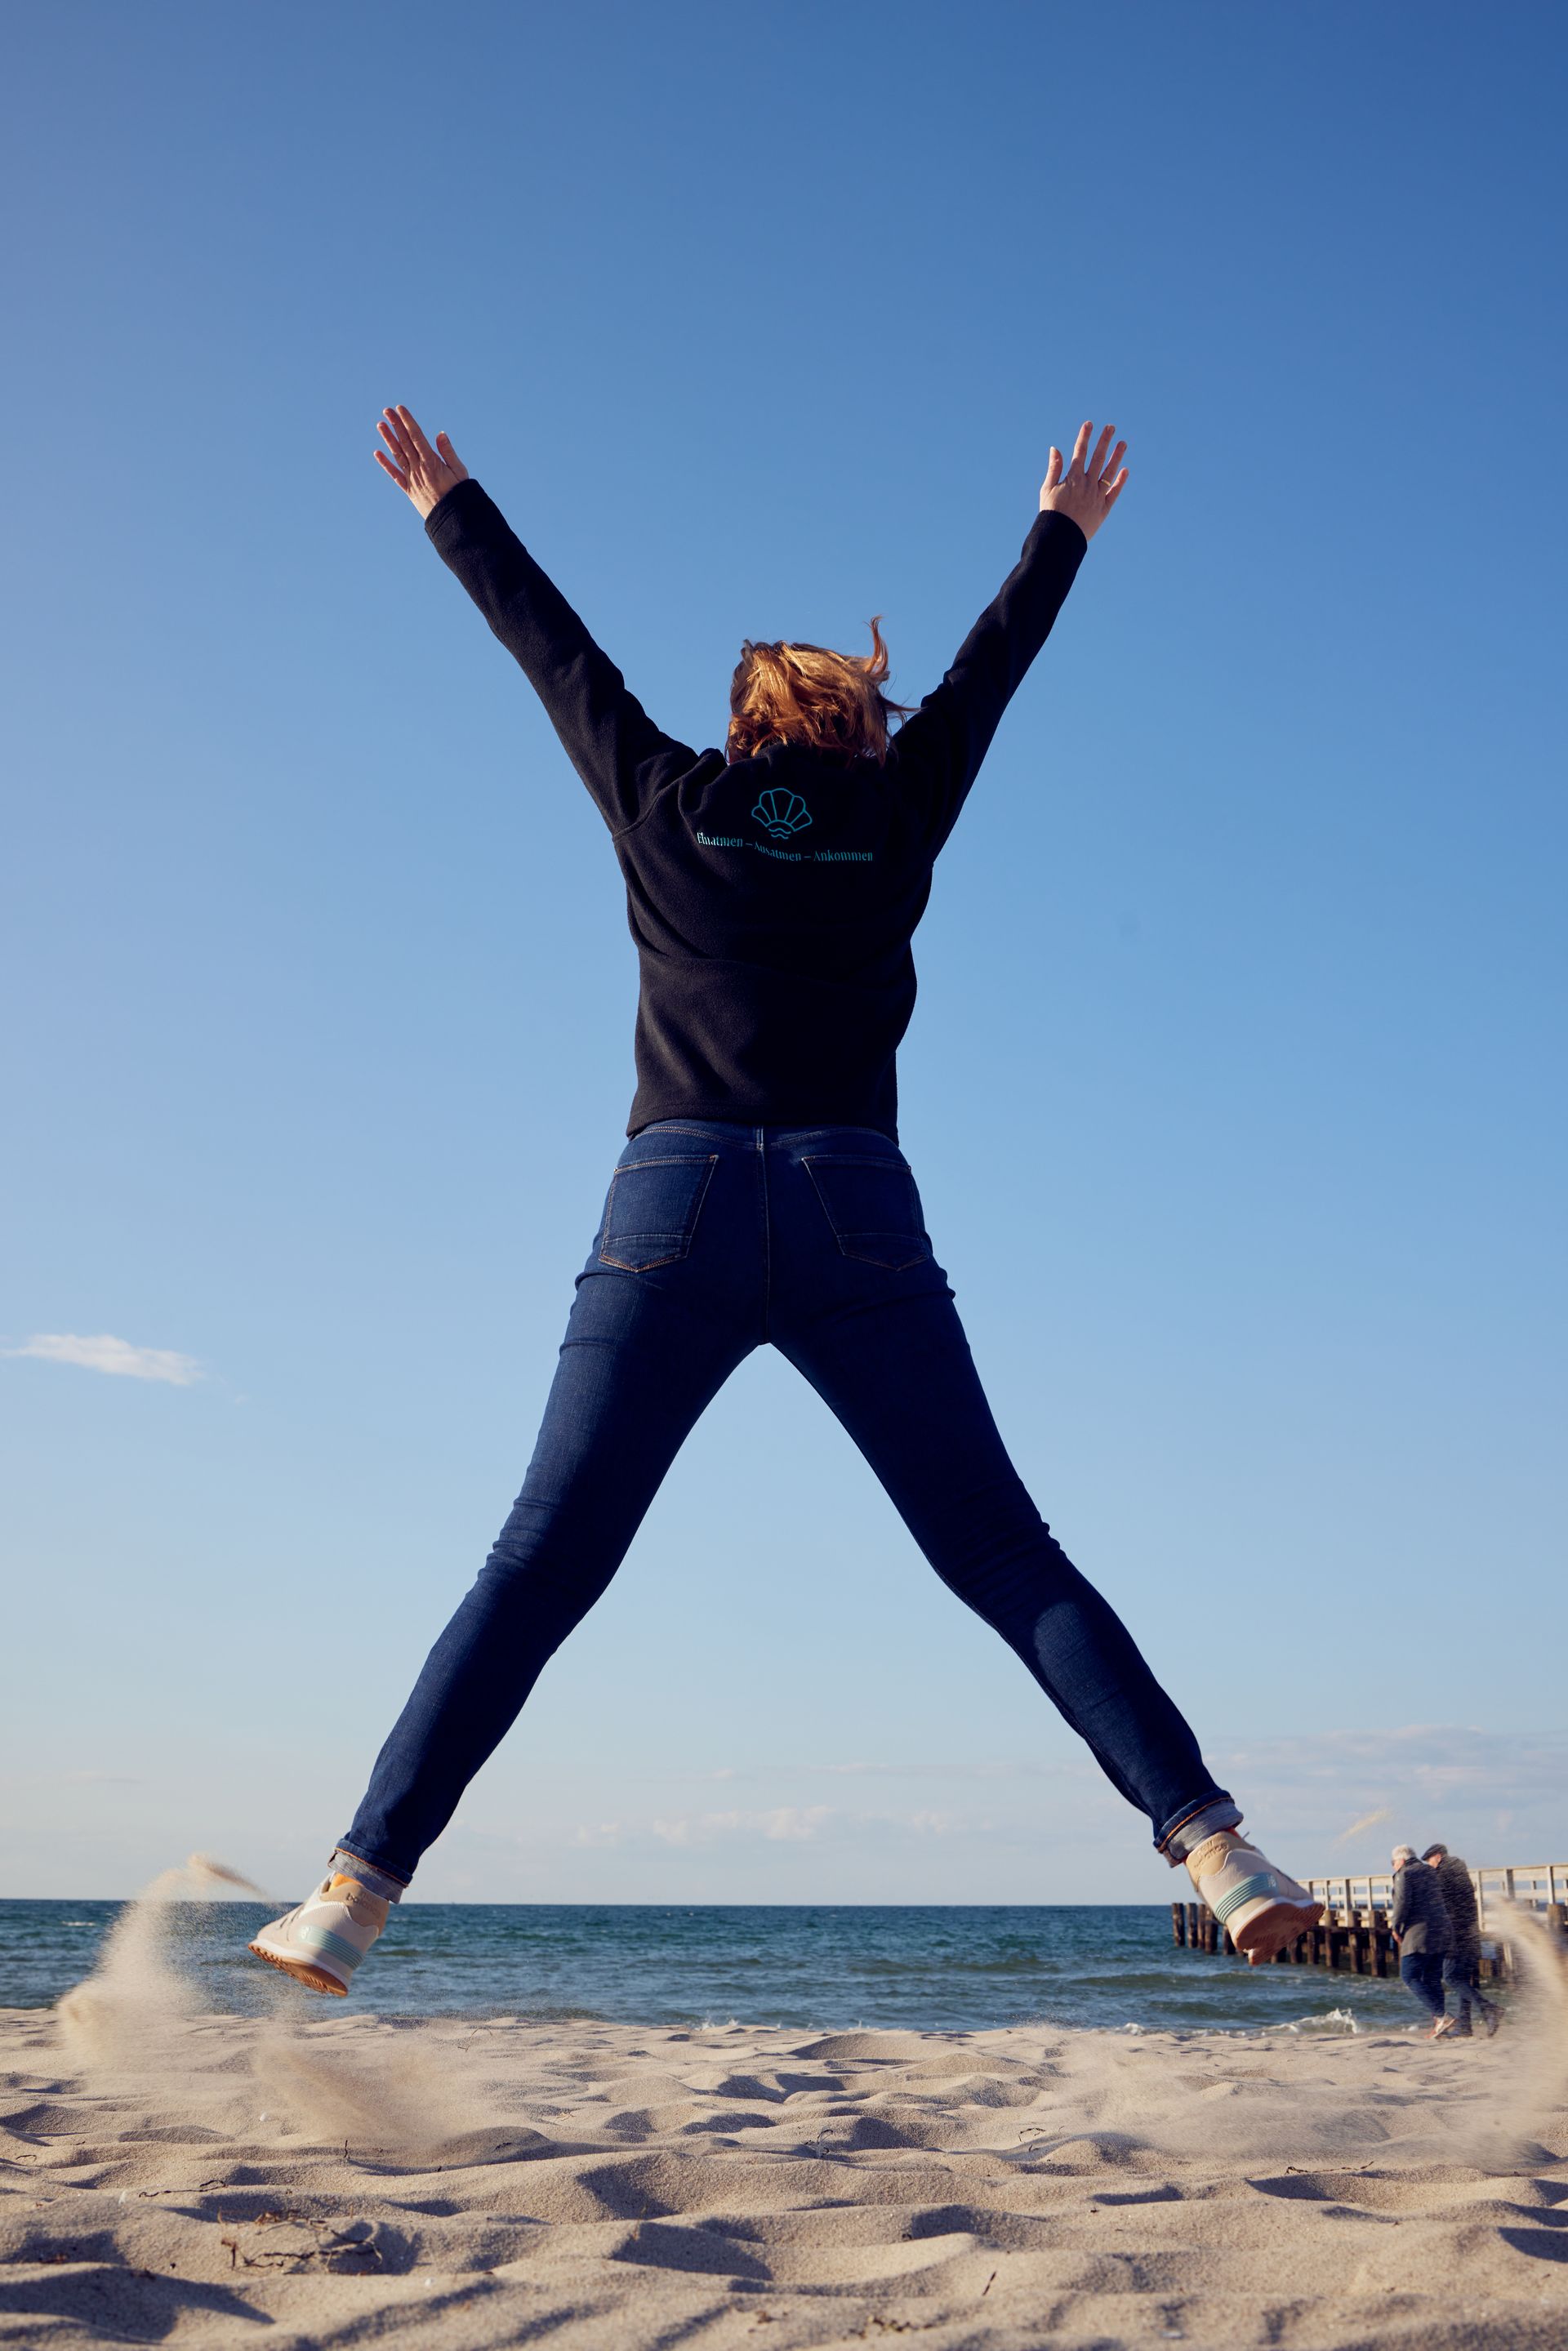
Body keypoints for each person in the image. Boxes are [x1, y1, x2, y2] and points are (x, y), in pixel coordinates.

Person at [249, 403, 1323, 1998]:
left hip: (672, 1196)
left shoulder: (665, 798)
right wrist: (1062, 532)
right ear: (859, 726)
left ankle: (353, 1890)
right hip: (849, 1198)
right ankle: (1219, 1847)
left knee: (541, 1562)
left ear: (746, 726)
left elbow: (555, 654)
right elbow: (991, 673)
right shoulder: (898, 813)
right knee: (1002, 1548)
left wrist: (450, 503)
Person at [1423, 1843, 1500, 2037]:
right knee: (1463, 1979)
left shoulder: (1443, 1874)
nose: (1429, 1866)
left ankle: (1489, 2008)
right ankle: (1465, 2026)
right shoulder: (1460, 1872)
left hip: (1455, 1936)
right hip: (1470, 1933)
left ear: (1438, 1857)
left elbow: (1439, 1906)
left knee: (1451, 1977)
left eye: (1429, 1861)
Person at [1389, 1844, 1454, 2037]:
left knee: (1409, 1975)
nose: (1393, 1867)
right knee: (1433, 1978)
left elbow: (1402, 1902)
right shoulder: (1431, 1871)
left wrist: (1396, 1927)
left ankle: (1442, 2016)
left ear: (1401, 1860)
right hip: (1441, 1930)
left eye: (1393, 1863)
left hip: (1419, 1932)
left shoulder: (1405, 1873)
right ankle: (1440, 2025)